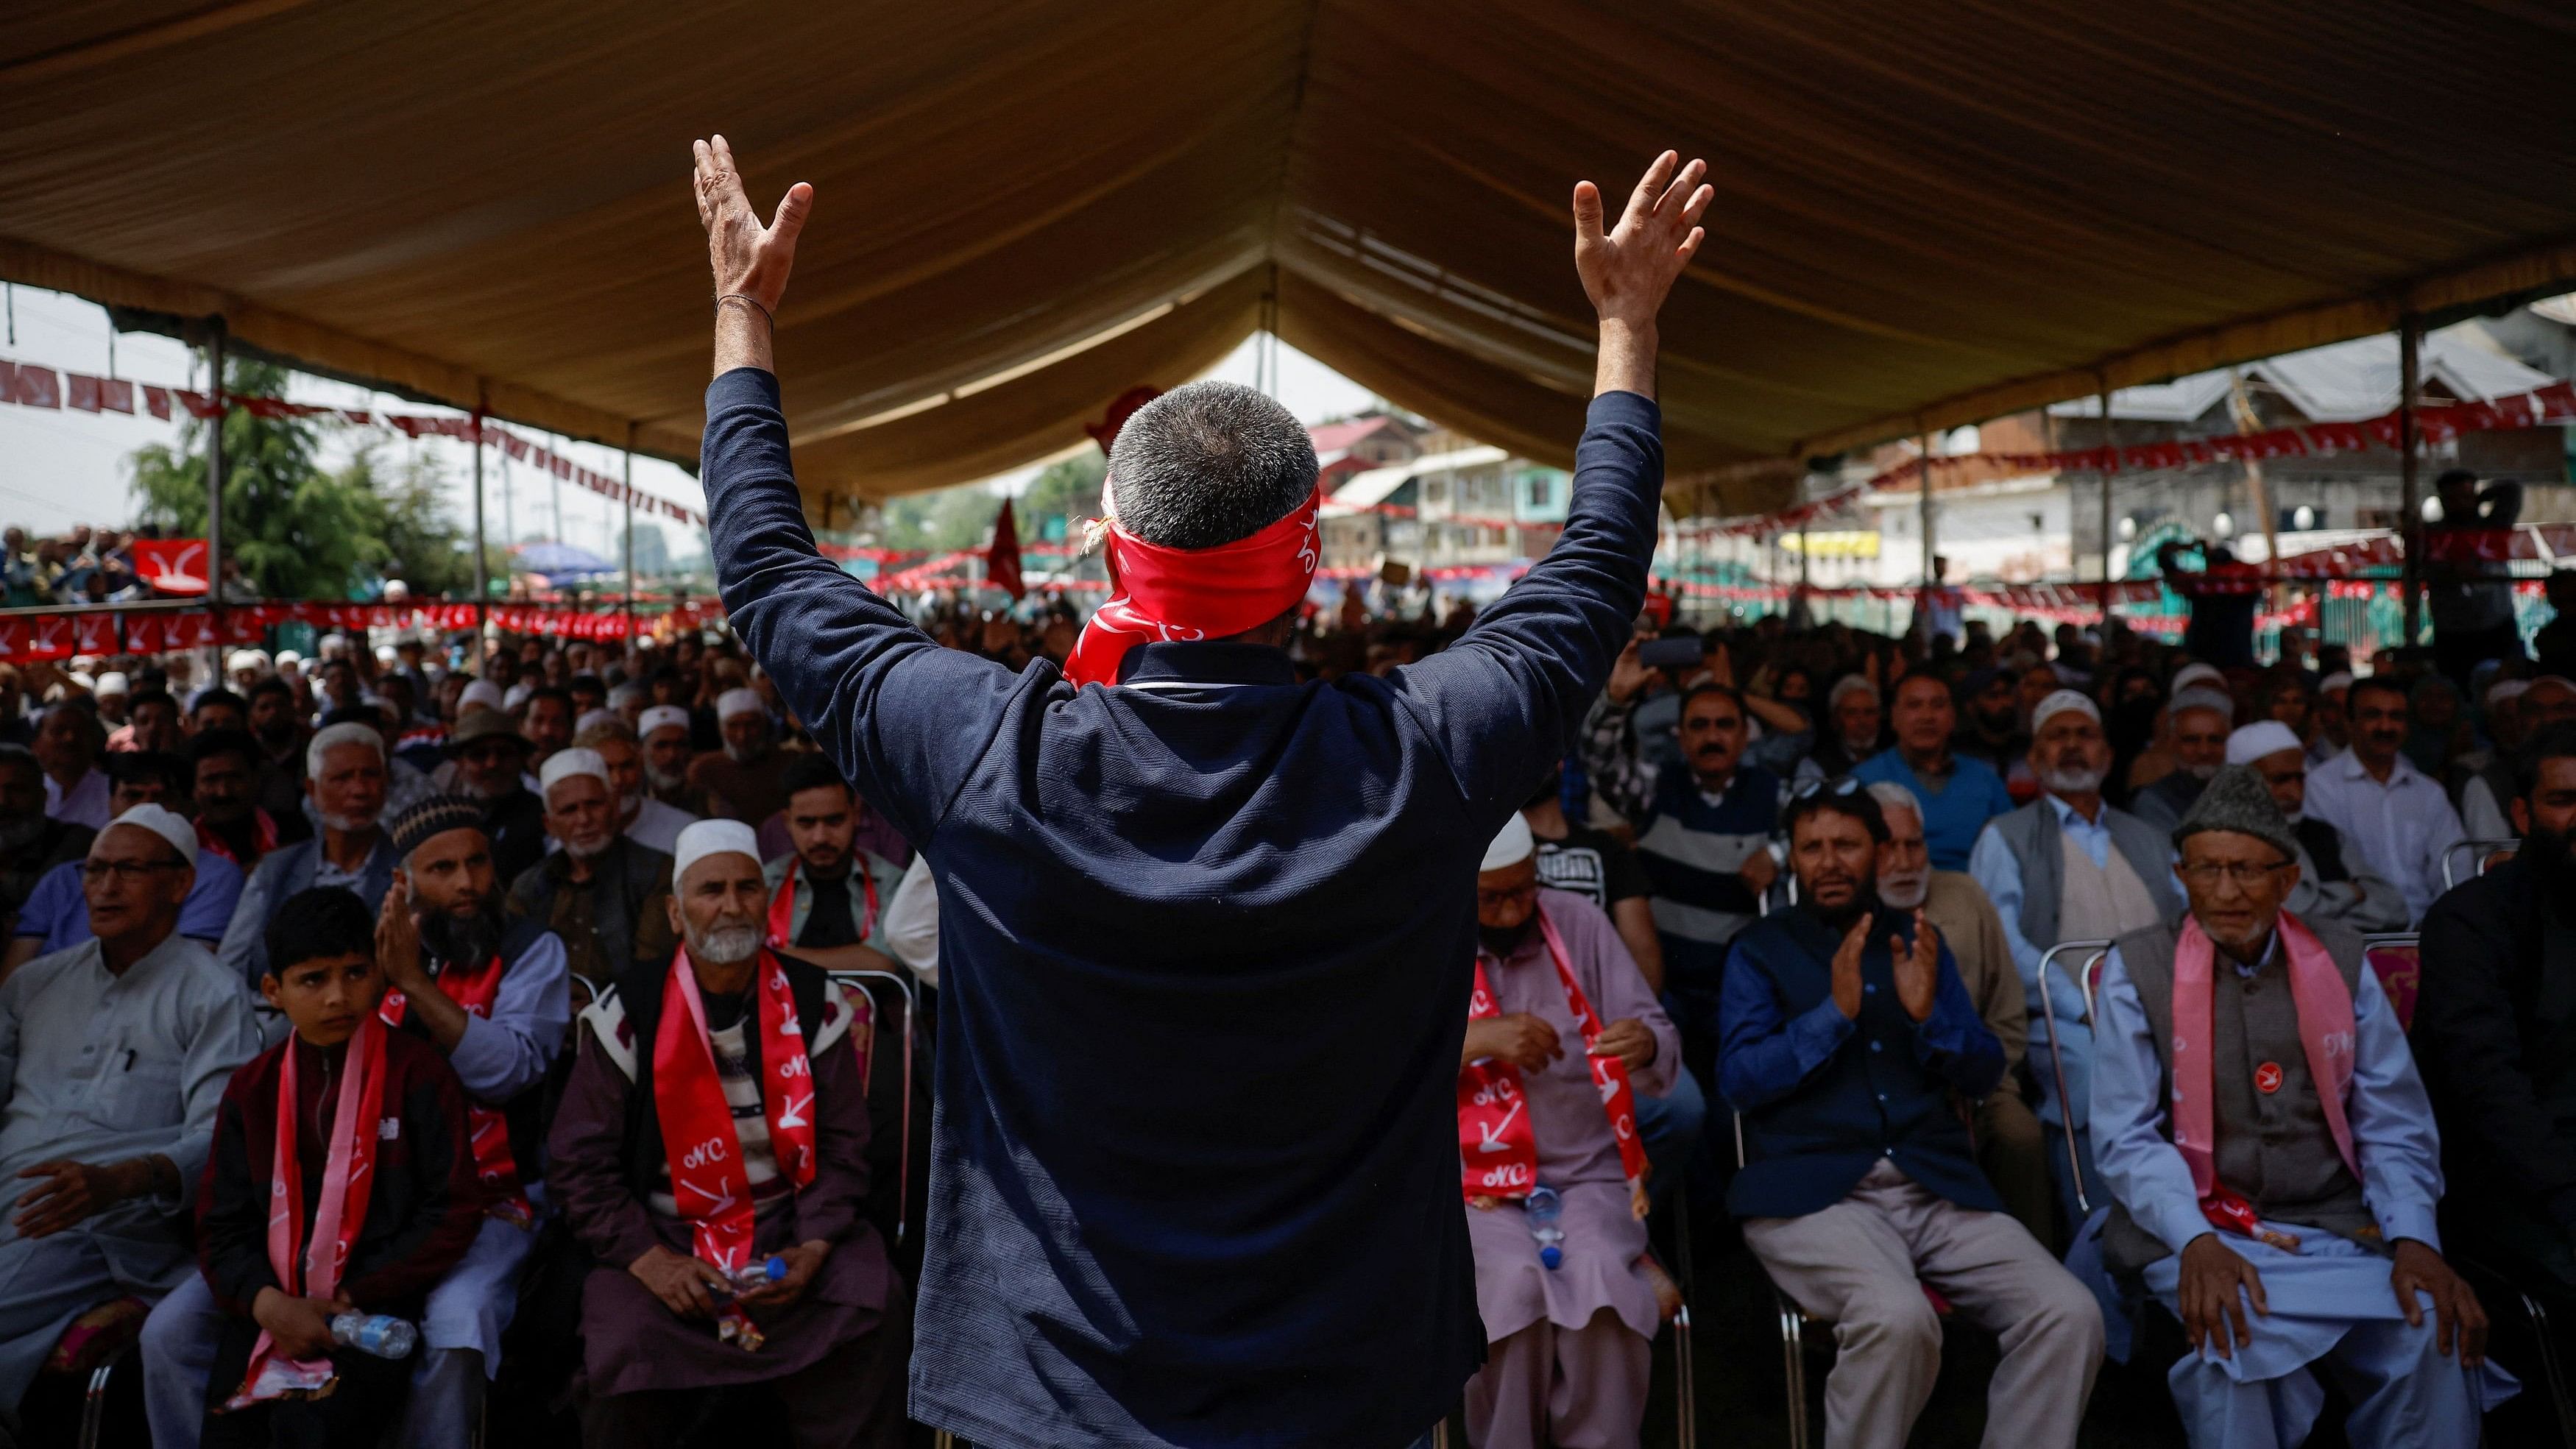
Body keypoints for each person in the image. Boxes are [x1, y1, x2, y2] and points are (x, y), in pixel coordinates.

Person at [684, 134, 1704, 1444]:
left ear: (1112, 552)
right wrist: (1626, 331)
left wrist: (742, 315)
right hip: (1348, 1383)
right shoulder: (1423, 756)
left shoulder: (992, 752)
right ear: (1312, 562)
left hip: (1058, 1391)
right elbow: (1595, 571)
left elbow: (768, 573)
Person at [2088, 764, 2510, 1448]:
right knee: (2233, 1340)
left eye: (2249, 871)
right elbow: (2125, 1136)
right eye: (2208, 869)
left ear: (2288, 880)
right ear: (2180, 873)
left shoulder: (2341, 959)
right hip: (2199, 1224)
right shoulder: (2140, 968)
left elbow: (2391, 1119)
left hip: (2337, 1226)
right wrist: (2195, 1239)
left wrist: (2416, 1240)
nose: (2226, 891)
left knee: (2435, 1331)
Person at [1722, 781, 2103, 1449]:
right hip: (1813, 1194)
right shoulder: (1759, 949)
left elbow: (1986, 1072)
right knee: (1898, 1318)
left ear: (1877, 852)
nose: (1829, 861)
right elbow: (1739, 1081)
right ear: (1794, 861)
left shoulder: (1920, 943)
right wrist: (1831, 1016)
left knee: (2069, 1311)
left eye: (1846, 844)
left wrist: (1931, 1018)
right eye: (1812, 847)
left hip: (1934, 1184)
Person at [546, 821, 902, 1446]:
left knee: (872, 1302)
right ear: (676, 913)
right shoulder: (628, 1011)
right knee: (624, 1342)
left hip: (790, 1230)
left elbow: (847, 1144)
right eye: (711, 890)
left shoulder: (815, 1001)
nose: (732, 906)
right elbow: (580, 1162)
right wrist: (649, 1260)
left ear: (768, 902)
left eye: (747, 887)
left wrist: (815, 1245)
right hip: (665, 1239)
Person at [187, 888, 485, 1449]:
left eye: (354, 973)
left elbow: (451, 1208)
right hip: (269, 1303)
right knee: (234, 1431)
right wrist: (267, 1303)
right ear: (272, 990)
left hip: (376, 1304)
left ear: (379, 974)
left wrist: (358, 1290)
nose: (337, 997)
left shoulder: (419, 1073)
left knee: (323, 1429)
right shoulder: (253, 1088)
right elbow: (221, 1225)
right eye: (312, 979)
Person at [0, 805, 263, 1434]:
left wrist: (119, 1180)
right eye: (94, 870)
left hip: (100, 1219)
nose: (106, 886)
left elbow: (221, 1137)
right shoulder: (33, 984)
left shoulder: (213, 993)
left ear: (179, 884)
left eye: (128, 870)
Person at [1459, 817, 1677, 1449]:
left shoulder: (1577, 920)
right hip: (1474, 1188)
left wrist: (1645, 1041)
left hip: (1587, 1173)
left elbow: (1656, 1031)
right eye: (1491, 898)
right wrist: (1477, 1040)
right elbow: (1380, 1070)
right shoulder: (1428, 932)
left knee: (1601, 1285)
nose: (1511, 909)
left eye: (1523, 890)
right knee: (1511, 1290)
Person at [1970, 689, 2182, 1234]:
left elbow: (2189, 922)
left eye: (2083, 735)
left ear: (2107, 755)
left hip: (2161, 1007)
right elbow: (2004, 939)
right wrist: (2084, 1005)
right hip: (2061, 1018)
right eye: (2056, 738)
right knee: (2092, 1068)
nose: (2071, 747)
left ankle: (2186, 1220)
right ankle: (2101, 1229)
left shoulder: (2150, 838)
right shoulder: (2006, 836)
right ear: (2035, 760)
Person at [2413, 720, 2576, 1396]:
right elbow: (2487, 1090)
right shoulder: (2471, 921)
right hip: (2513, 1182)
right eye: (2564, 800)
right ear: (2521, 812)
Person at [1866, 780, 2050, 1244]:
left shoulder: (1966, 895)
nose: (1905, 863)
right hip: (1885, 1095)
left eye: (1915, 845)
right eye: (1888, 848)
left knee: (2020, 1135)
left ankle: (2036, 1262)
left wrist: (1979, 1083)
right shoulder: (1852, 913)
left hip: (1979, 1081)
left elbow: (2007, 1014)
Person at [1582, 670, 1780, 1074]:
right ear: (1682, 738)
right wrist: (1616, 702)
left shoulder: (1772, 793)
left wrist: (1777, 853)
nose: (1712, 736)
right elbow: (1600, 763)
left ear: (1745, 737)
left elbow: (1830, 821)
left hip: (1737, 991)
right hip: (1662, 989)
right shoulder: (1656, 789)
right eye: (1699, 726)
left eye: (1725, 725)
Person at [6, 752, 244, 973]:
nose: (146, 807)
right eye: (133, 795)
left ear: (186, 805)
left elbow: (184, 973)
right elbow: (12, 982)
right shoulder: (62, 879)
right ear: (110, 802)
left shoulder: (212, 876)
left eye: (160, 796)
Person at [216, 721, 398, 989]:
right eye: (343, 778)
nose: (359, 790)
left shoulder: (408, 867)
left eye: (370, 775)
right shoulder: (277, 869)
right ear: (312, 790)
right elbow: (230, 970)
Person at [2300, 675, 2466, 925]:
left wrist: (2440, 926)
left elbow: (2454, 868)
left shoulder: (2428, 793)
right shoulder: (2320, 787)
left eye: (2396, 717)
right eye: (2373, 715)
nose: (2385, 727)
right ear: (2350, 721)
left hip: (2427, 933)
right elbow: (2329, 878)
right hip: (2354, 934)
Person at [509, 748, 679, 986]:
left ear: (615, 807)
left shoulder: (656, 871)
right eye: (569, 810)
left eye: (594, 804)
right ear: (550, 825)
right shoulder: (529, 887)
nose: (584, 819)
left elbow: (651, 969)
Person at [2225, 722, 2406, 932]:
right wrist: (2351, 893)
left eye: (2300, 779)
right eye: (2281, 780)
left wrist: (2317, 918)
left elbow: (2394, 908)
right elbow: (2284, 912)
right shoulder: (2230, 842)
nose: (2295, 792)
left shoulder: (2324, 833)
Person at [1521, 765, 1663, 992]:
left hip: (1597, 1009)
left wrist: (1632, 1017)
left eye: (1538, 746)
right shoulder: (1488, 851)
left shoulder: (1607, 848)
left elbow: (1643, 955)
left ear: (1560, 760)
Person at [1854, 672, 2014, 872]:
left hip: (1971, 895)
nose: (1927, 716)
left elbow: (2012, 849)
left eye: (1938, 705)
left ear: (1953, 718)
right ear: (1894, 717)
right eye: (1914, 706)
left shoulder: (1984, 779)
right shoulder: (1864, 781)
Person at [760, 753, 905, 975]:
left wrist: (772, 960)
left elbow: (884, 963)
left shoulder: (891, 882)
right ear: (787, 822)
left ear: (856, 814)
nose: (820, 837)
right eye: (806, 823)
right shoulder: (764, 883)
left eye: (834, 821)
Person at [2425, 468, 2526, 688]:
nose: (2459, 504)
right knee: (2457, 690)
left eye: (2465, 497)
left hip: (2497, 625)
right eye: (2452, 499)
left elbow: (2513, 490)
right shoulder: (2433, 534)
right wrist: (2452, 572)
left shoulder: (2493, 526)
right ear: (2442, 501)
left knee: (2505, 688)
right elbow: (2421, 569)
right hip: (2453, 632)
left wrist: (2481, 497)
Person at [448, 710, 548, 888]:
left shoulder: (542, 816)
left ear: (521, 759)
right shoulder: (448, 820)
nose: (492, 764)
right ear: (460, 764)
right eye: (479, 755)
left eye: (504, 753)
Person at [0, 745, 92, 929]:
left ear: (43, 796)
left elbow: (45, 898)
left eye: (16, 790)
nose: (3, 801)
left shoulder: (75, 842)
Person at [576, 718, 698, 856]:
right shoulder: (573, 839)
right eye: (606, 769)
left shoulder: (684, 829)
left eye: (627, 766)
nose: (618, 780)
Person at [189, 728, 302, 874]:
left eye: (235, 778)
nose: (223, 792)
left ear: (256, 780)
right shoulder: (179, 849)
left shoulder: (294, 835)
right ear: (194, 787)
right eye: (211, 780)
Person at [2129, 687, 2233, 835]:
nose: (2204, 750)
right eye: (2191, 740)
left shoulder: (2245, 792)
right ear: (2172, 744)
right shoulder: (2154, 800)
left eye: (2215, 740)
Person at [688, 687, 795, 826]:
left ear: (763, 724)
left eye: (750, 725)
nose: (742, 735)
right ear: (720, 728)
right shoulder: (703, 769)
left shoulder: (788, 762)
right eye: (733, 726)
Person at [34, 704, 109, 830]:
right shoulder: (23, 790)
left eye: (79, 731)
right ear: (36, 743)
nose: (70, 738)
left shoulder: (113, 792)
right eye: (58, 731)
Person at [1805, 673, 1885, 779]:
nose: (1862, 721)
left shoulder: (1891, 763)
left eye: (1869, 712)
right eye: (1851, 713)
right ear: (1835, 720)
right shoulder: (1814, 767)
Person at [637, 706, 712, 817]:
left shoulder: (707, 792)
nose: (672, 755)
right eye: (661, 746)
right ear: (642, 750)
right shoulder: (633, 793)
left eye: (681, 745)